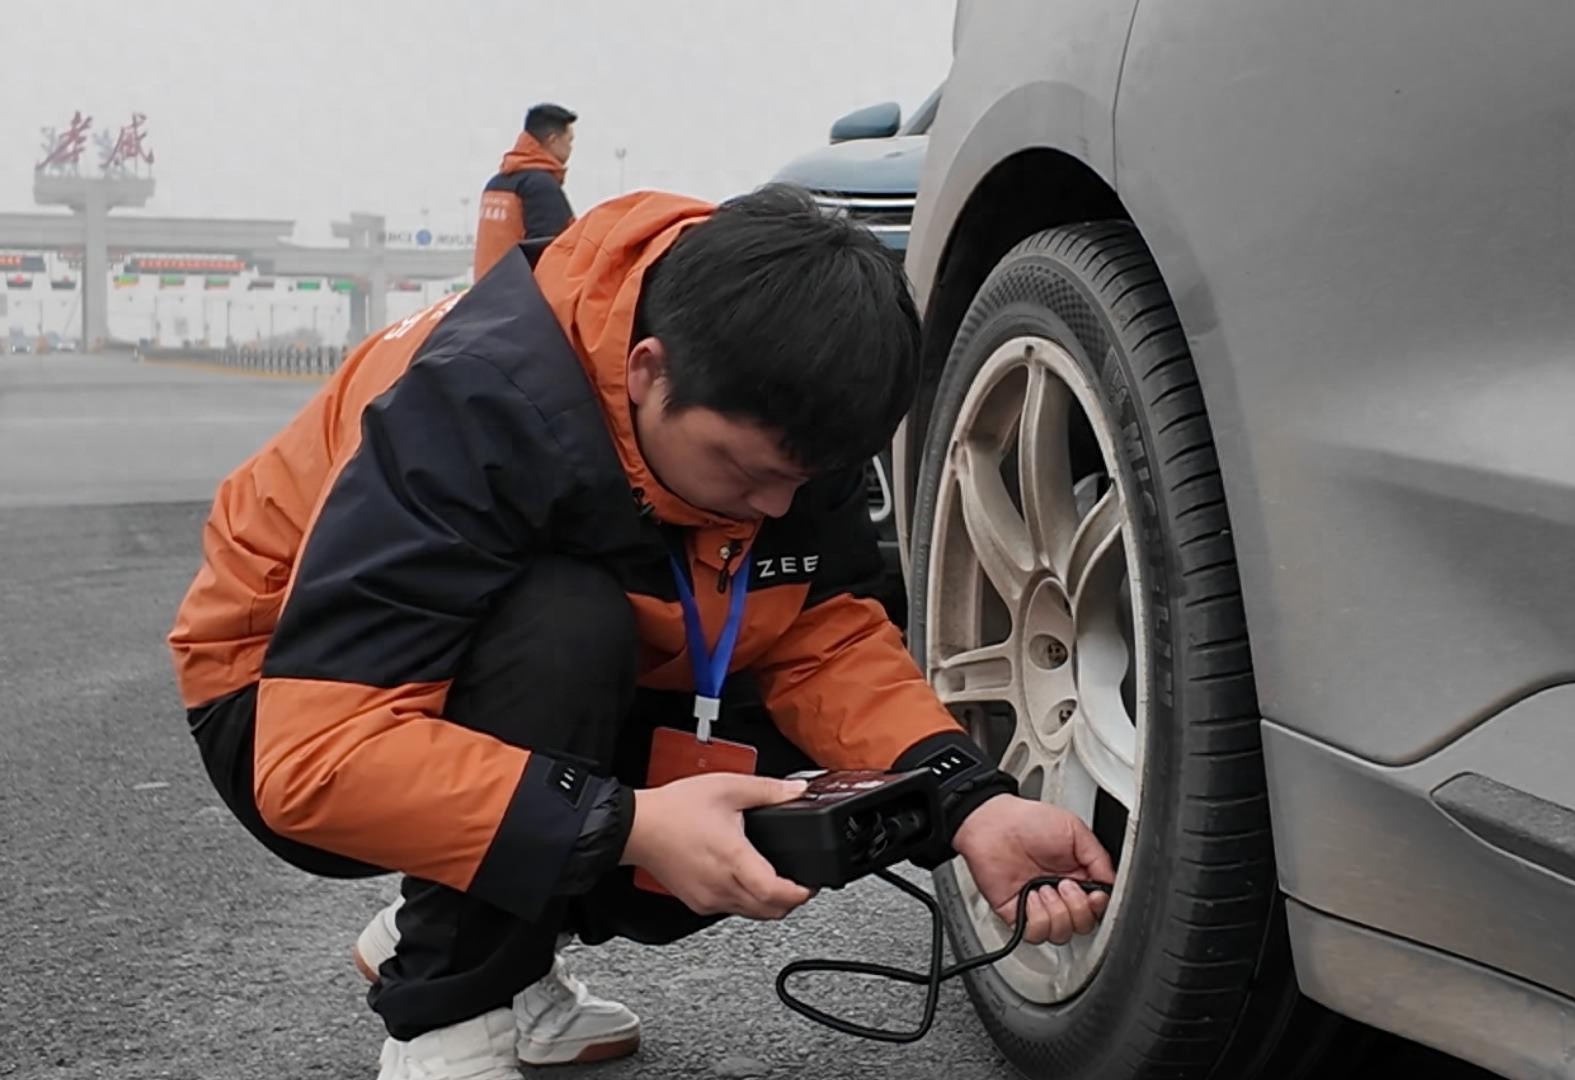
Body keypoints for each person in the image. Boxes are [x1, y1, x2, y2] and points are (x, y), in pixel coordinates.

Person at [167, 184, 1114, 1080]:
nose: (777, 507)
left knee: (822, 789)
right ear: (646, 370)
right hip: (283, 701)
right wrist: (630, 823)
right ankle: (449, 1020)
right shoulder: (473, 402)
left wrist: (967, 801)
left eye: (807, 481)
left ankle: (487, 937)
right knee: (562, 625)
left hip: (531, 671)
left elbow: (821, 636)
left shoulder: (780, 402)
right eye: (746, 474)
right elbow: (313, 761)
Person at [473, 103, 578, 280]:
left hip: (486, 294)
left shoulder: (496, 184)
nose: (571, 148)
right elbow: (553, 253)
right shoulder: (541, 187)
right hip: (520, 299)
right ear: (553, 140)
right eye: (569, 141)